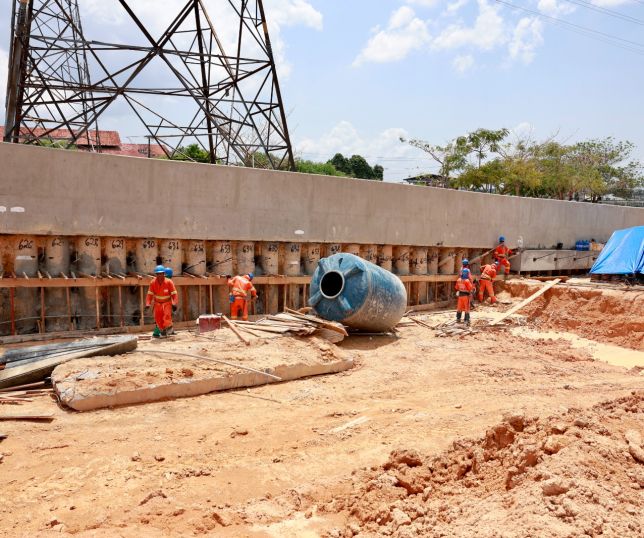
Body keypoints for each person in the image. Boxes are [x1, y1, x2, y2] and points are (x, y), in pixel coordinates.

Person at [146, 265, 178, 338]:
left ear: (164, 274)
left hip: (167, 303)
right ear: (156, 274)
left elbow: (174, 294)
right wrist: (147, 304)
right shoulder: (153, 282)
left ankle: (169, 328)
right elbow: (149, 294)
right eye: (158, 274)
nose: (160, 275)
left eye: (161, 273)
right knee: (158, 319)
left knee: (167, 316)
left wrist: (174, 303)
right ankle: (162, 331)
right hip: (157, 304)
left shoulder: (169, 282)